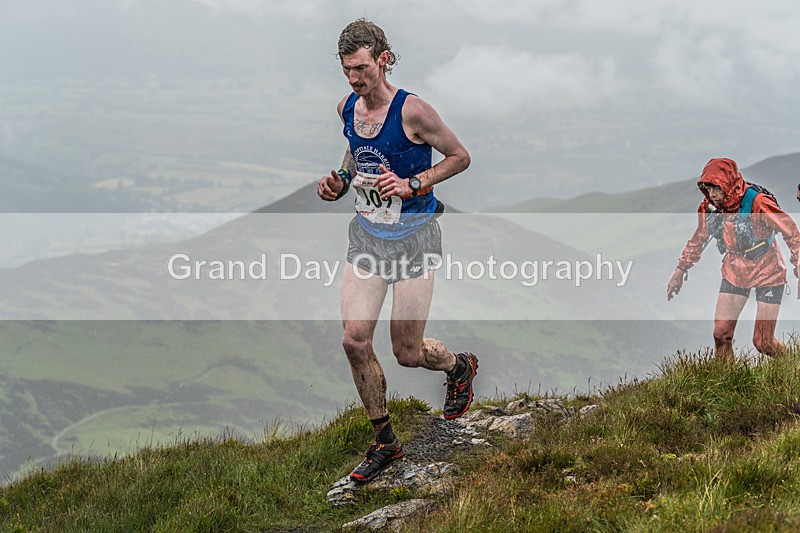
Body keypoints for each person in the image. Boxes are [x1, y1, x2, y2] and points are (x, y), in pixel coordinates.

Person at [316, 19, 477, 483]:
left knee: (407, 352)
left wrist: (414, 183)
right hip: (366, 238)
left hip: (414, 239)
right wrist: (340, 181)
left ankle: (458, 366)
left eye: (361, 68)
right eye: (347, 70)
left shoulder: (414, 112)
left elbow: (460, 157)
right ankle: (384, 442)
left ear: (382, 59)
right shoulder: (347, 107)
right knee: (354, 340)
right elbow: (354, 153)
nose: (353, 79)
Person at [667, 158, 800, 361]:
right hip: (735, 270)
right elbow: (700, 237)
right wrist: (680, 270)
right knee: (721, 334)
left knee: (763, 342)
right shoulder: (710, 208)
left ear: (728, 184)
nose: (712, 195)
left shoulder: (758, 203)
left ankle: (793, 363)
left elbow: (791, 232)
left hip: (768, 271)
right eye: (707, 189)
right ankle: (724, 383)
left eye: (716, 189)